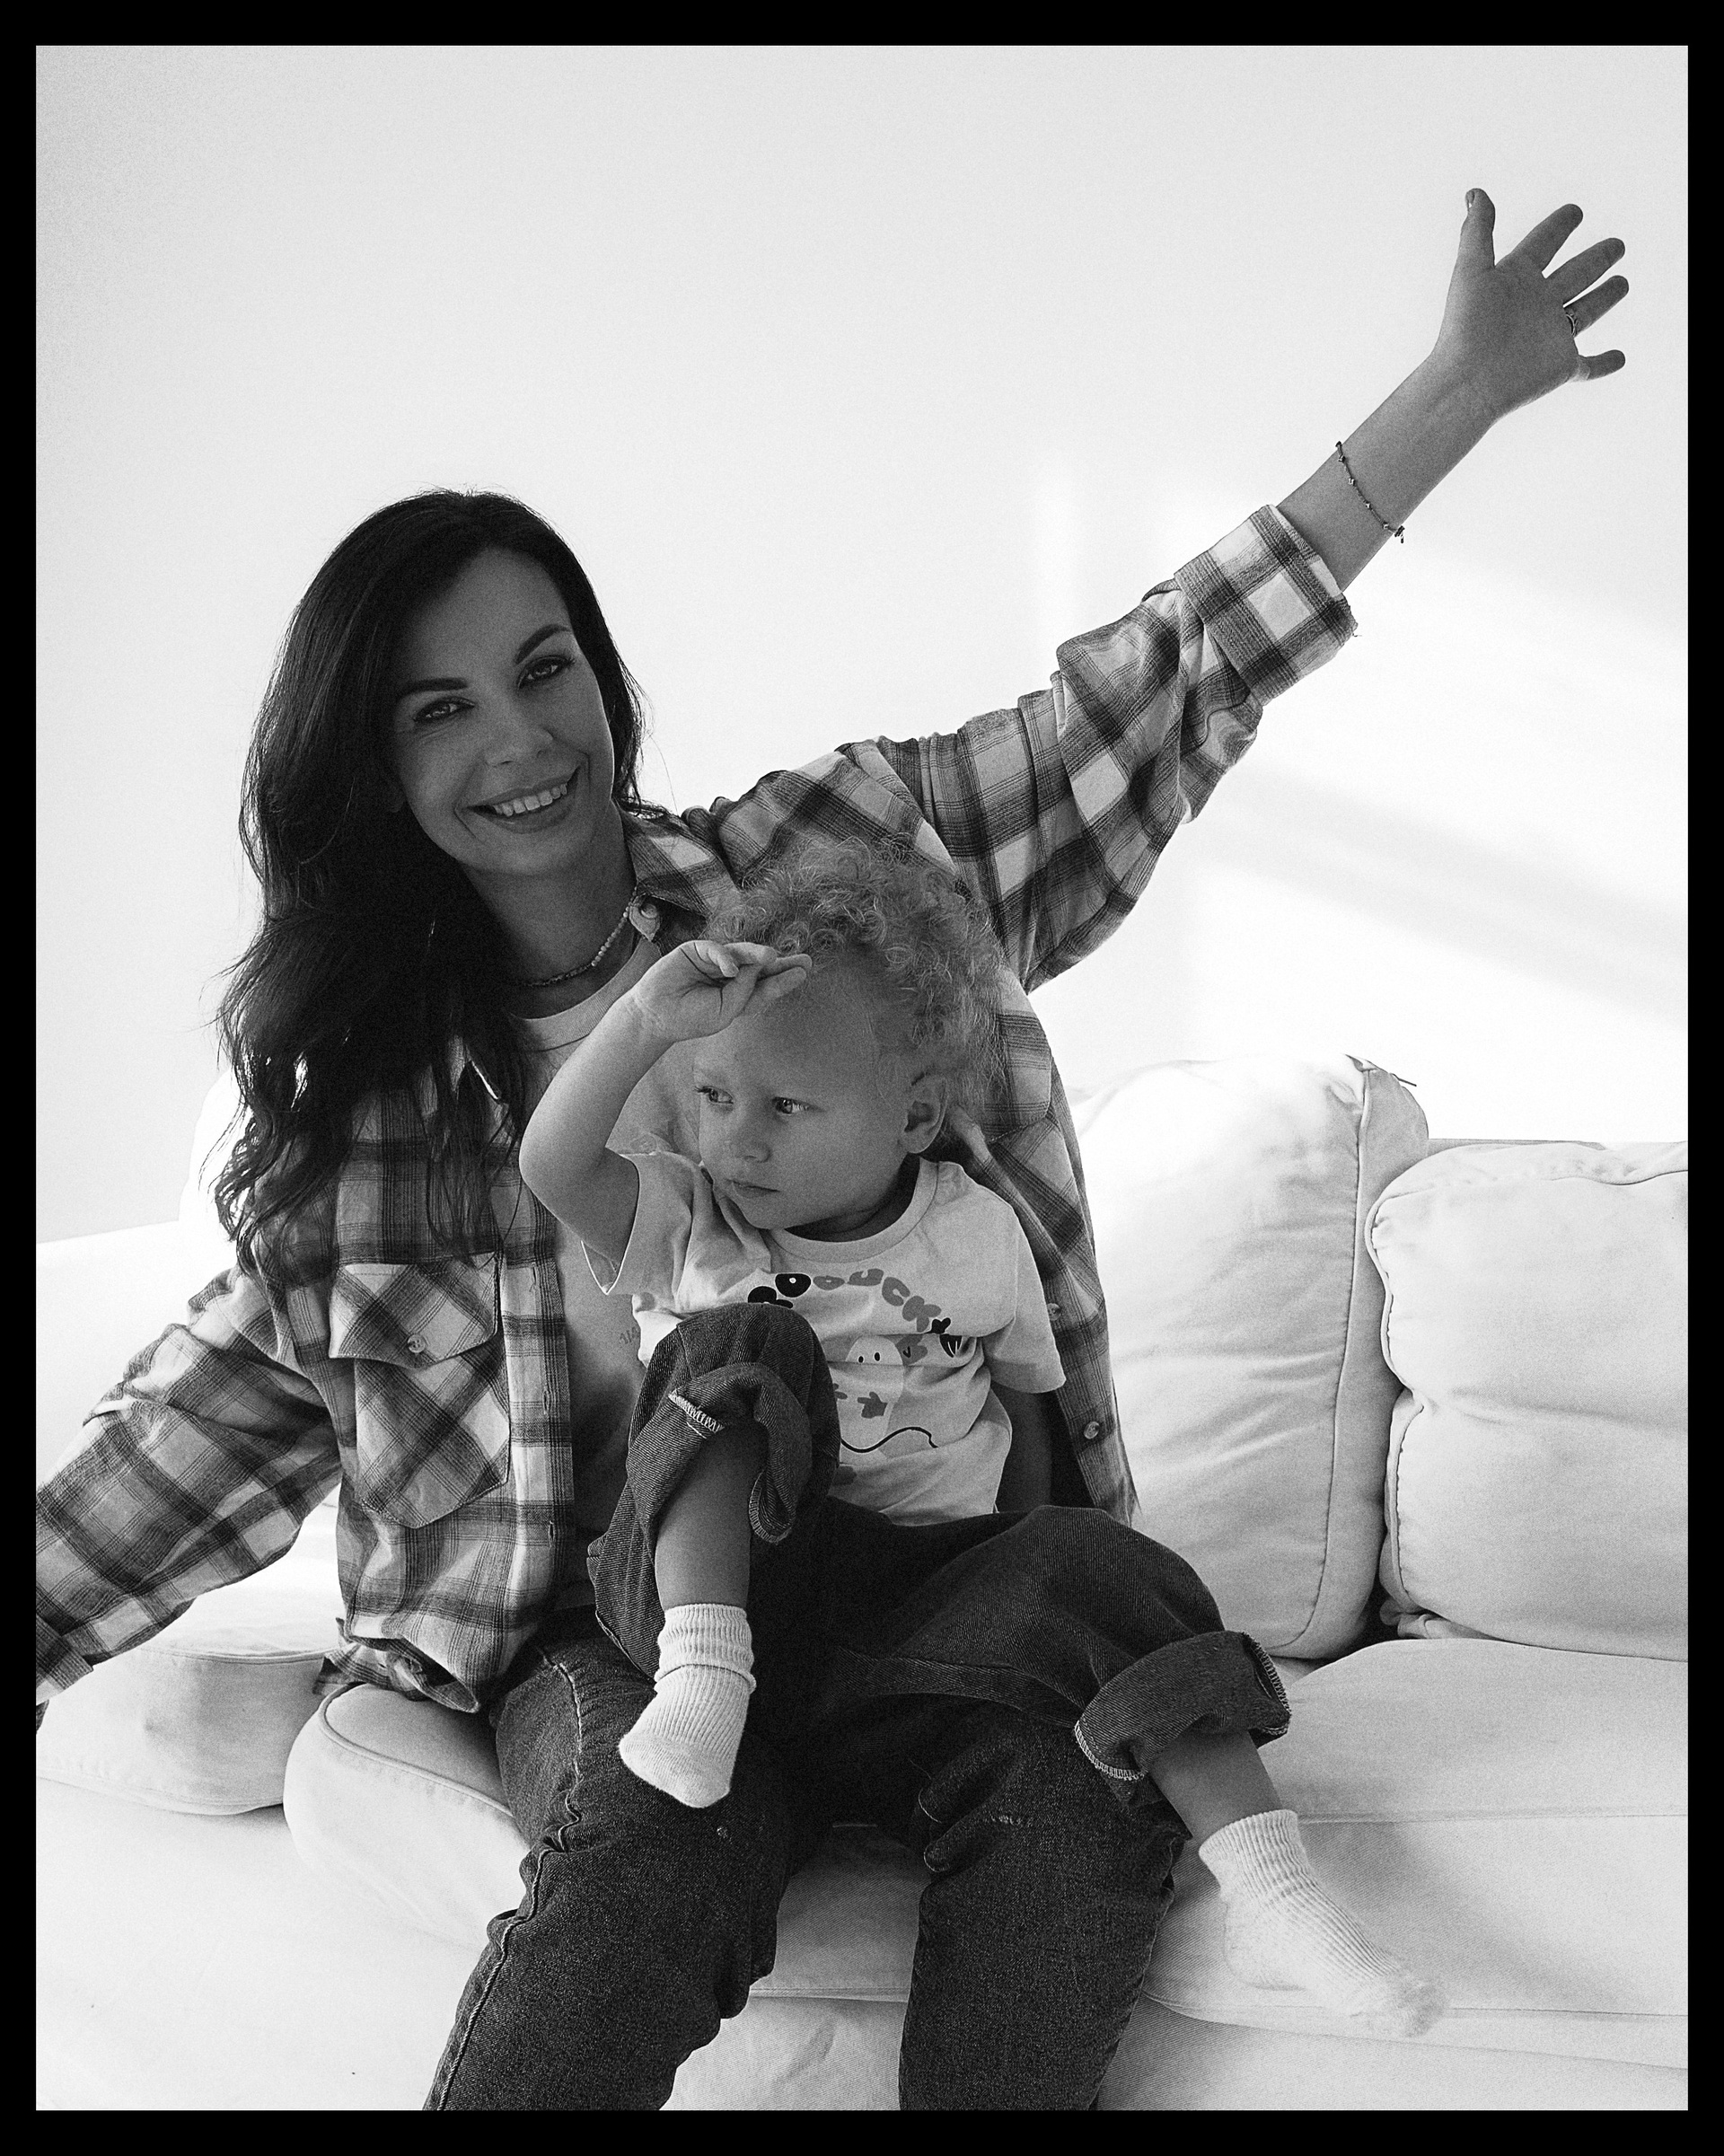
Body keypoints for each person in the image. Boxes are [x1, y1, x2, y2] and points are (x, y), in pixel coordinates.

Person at [35, 192, 1628, 2108]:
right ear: (376, 770)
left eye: (546, 668)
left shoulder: (833, 884)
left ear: (603, 677)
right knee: (664, 1816)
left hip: (921, 1587)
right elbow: (192, 1435)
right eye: (439, 710)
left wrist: (1450, 397)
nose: (519, 740)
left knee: (1077, 1785)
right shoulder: (366, 1122)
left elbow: (1137, 703)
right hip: (605, 1631)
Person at [517, 838, 1444, 2037]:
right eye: (715, 1097)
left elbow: (1027, 1442)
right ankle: (705, 1674)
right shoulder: (693, 1222)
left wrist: (1045, 1586)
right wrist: (647, 1019)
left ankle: (1273, 1888)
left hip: (912, 1616)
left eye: (786, 1107)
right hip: (726, 1589)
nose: (738, 1141)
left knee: (1101, 1557)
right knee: (744, 1344)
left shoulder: (978, 1236)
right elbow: (551, 1162)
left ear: (915, 1114)